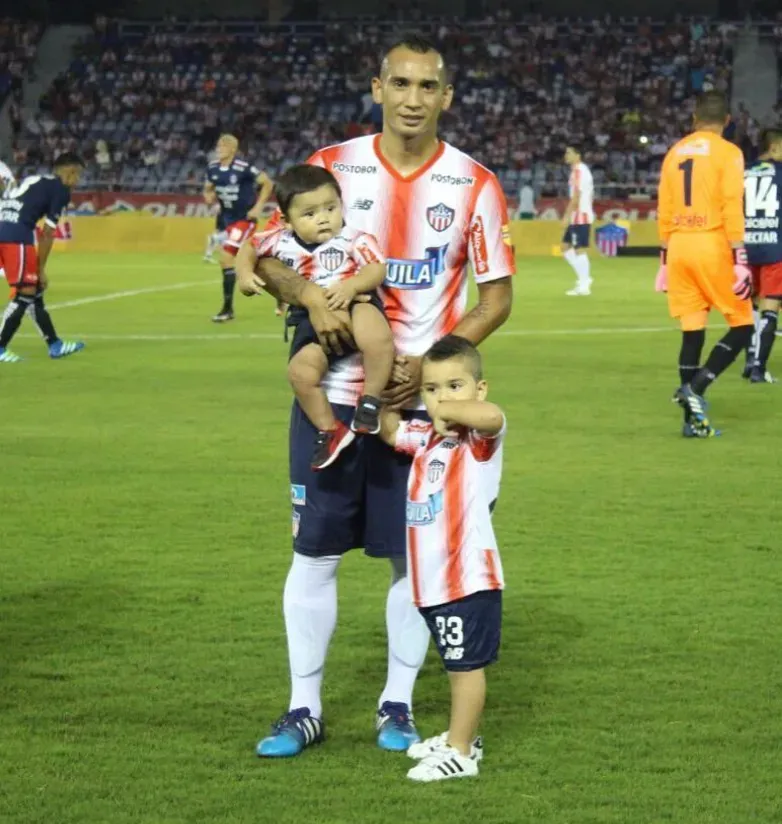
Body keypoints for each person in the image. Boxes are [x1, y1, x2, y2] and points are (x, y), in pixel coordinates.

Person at [239, 35, 515, 758]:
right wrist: (306, 295)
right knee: (314, 553)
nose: (413, 99)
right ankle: (304, 707)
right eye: (401, 84)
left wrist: (426, 362)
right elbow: (267, 249)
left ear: (446, 96)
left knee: (412, 561)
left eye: (428, 86)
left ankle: (396, 701)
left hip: (417, 410)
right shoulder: (331, 166)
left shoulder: (474, 183)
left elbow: (498, 297)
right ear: (378, 87)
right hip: (327, 399)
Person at [379, 335, 505, 782]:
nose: (443, 398)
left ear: (479, 387)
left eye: (456, 386)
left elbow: (493, 417)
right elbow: (390, 428)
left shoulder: (478, 442)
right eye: (431, 389)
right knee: (454, 661)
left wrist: (446, 410)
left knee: (464, 667)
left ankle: (461, 752)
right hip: (433, 581)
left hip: (467, 577)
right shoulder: (430, 439)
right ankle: (459, 733)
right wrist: (390, 384)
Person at [243, 164, 395, 469]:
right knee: (301, 374)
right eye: (310, 214)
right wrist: (246, 273)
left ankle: (370, 402)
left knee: (376, 336)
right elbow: (249, 247)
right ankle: (330, 430)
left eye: (330, 208)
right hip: (310, 315)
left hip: (353, 301)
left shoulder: (354, 238)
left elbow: (376, 268)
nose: (323, 218)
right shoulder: (279, 240)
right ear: (286, 221)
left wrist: (352, 285)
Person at [655, 91, 754, 437]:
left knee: (692, 332)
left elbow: (665, 209)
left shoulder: (674, 152)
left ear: (694, 119)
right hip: (712, 244)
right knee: (744, 325)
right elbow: (731, 205)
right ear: (727, 121)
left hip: (679, 247)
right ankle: (695, 388)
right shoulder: (729, 153)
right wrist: (740, 257)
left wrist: (665, 260)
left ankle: (692, 422)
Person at [0, 153, 85, 364]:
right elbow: (47, 233)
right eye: (78, 175)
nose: (78, 181)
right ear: (69, 172)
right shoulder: (61, 191)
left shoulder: (37, 180)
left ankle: (55, 344)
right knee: (26, 290)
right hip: (17, 237)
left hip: (4, 229)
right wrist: (41, 269)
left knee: (33, 292)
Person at [203, 134, 273, 323]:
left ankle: (227, 309)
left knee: (226, 258)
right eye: (218, 145)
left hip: (244, 219)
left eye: (224, 145)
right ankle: (278, 286)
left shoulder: (243, 168)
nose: (220, 148)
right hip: (226, 219)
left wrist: (258, 207)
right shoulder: (213, 168)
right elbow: (209, 186)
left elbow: (267, 182)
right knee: (245, 261)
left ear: (233, 149)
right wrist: (208, 196)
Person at [742, 128, 782, 384]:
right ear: (775, 147)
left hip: (746, 246)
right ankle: (759, 368)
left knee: (751, 306)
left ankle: (749, 361)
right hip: (775, 245)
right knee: (771, 306)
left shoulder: (742, 171)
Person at [561, 144, 594, 296]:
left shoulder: (579, 171)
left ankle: (584, 284)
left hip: (580, 216)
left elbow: (576, 196)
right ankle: (584, 279)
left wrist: (566, 216)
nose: (566, 155)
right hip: (579, 214)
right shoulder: (579, 171)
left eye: (569, 153)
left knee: (578, 248)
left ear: (577, 155)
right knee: (565, 247)